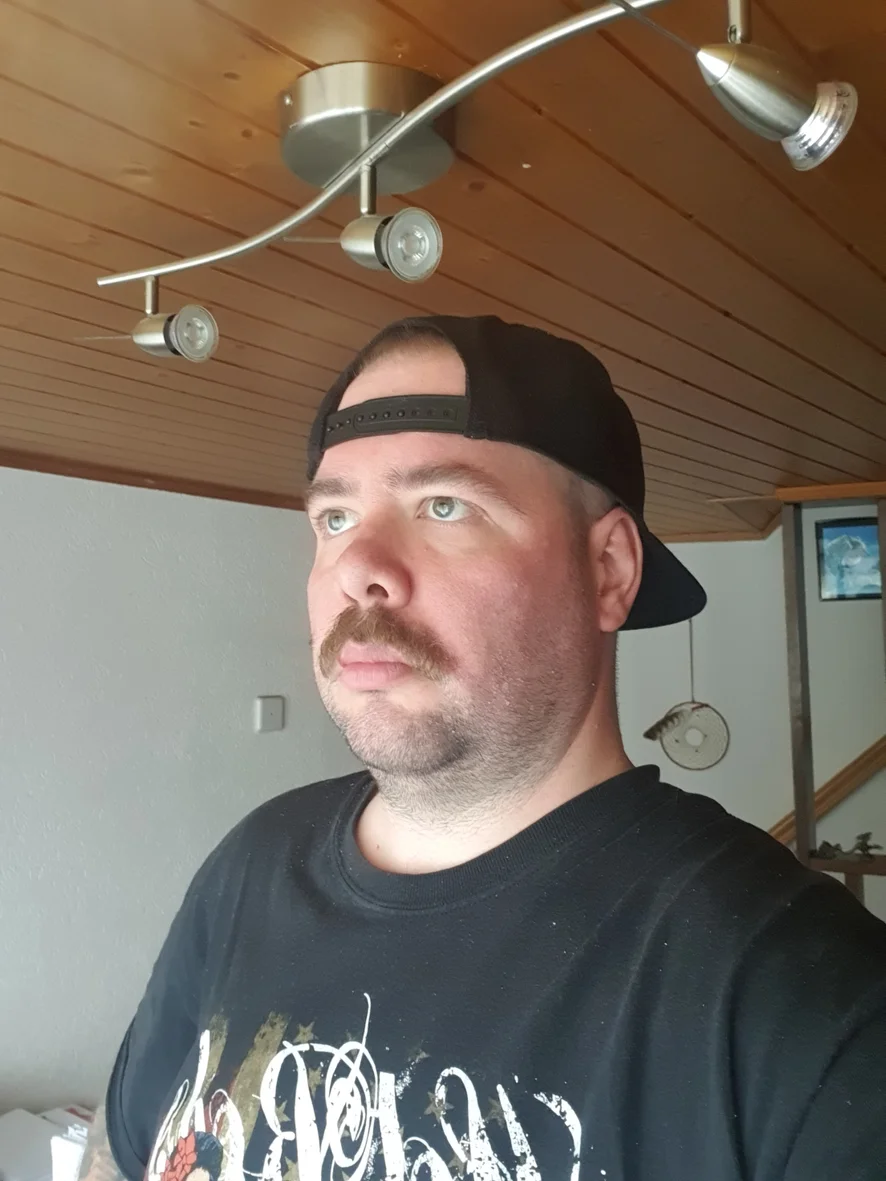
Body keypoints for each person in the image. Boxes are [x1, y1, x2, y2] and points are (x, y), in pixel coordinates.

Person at [80, 316, 886, 1181]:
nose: (358, 565)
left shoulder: (805, 999)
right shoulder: (249, 866)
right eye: (336, 516)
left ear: (609, 570)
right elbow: (122, 1153)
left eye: (443, 505)